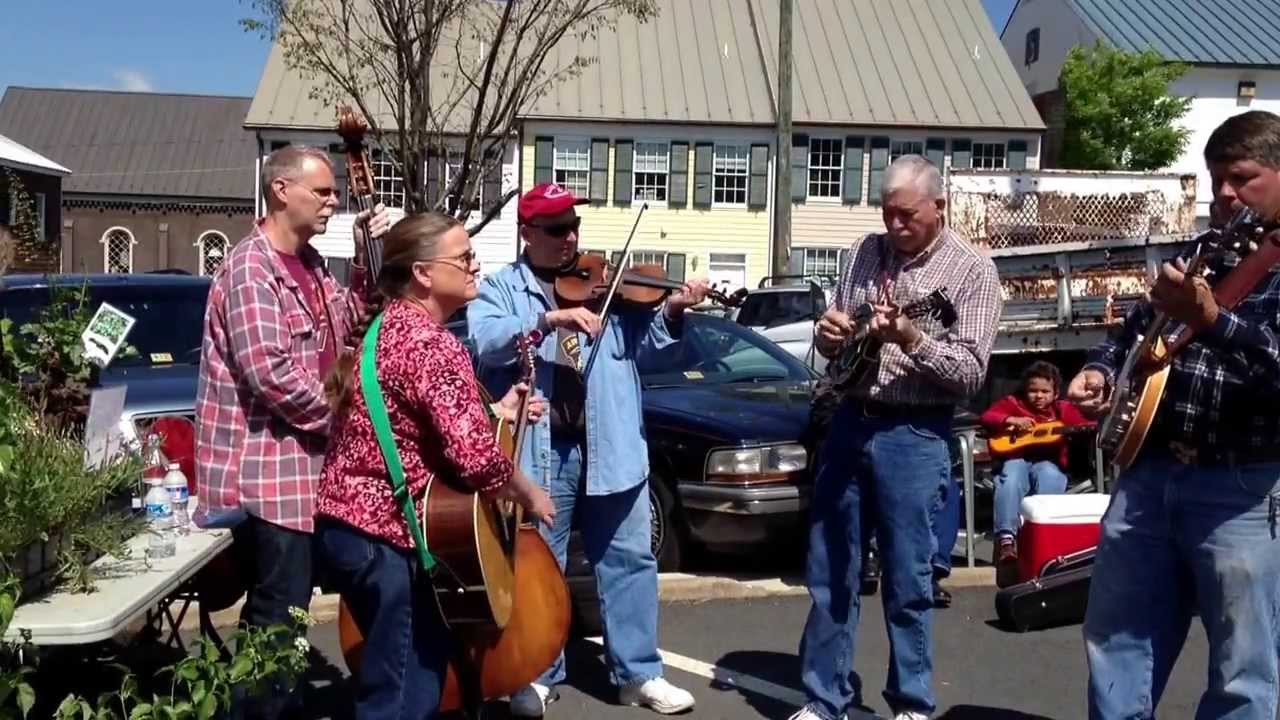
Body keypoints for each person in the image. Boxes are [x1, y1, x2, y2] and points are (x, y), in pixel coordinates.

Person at [1067, 110, 1280, 719]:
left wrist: (1215, 320)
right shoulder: (1204, 251)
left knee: (1244, 667)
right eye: (1216, 180)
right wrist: (1101, 371)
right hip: (1151, 474)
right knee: (1117, 645)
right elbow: (1133, 334)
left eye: (1242, 178)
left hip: (1242, 485)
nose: (1226, 194)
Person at [467, 182, 709, 716]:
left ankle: (639, 674)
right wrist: (547, 320)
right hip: (543, 450)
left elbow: (649, 349)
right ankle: (535, 672)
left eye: (573, 225)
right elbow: (484, 340)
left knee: (629, 558)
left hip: (613, 443)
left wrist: (671, 313)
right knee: (538, 566)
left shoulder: (608, 284)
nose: (569, 237)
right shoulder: (502, 289)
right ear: (527, 233)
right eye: (556, 229)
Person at [315, 213, 556, 719]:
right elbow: (476, 460)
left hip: (348, 530)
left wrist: (497, 413)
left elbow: (416, 429)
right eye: (464, 258)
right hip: (387, 537)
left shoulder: (384, 328)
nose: (476, 266)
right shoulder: (432, 344)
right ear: (424, 273)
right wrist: (529, 493)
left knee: (395, 680)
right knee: (403, 695)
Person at [790, 155, 1002, 720]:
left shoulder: (972, 271)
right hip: (850, 417)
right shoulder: (863, 252)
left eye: (906, 214)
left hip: (916, 431)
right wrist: (830, 334)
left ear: (939, 206)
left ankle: (910, 702)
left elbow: (971, 374)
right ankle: (822, 697)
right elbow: (837, 342)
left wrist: (911, 337)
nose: (894, 225)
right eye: (886, 213)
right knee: (831, 568)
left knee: (908, 577)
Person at [194, 145, 391, 720]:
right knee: (275, 628)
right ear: (282, 190)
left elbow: (351, 318)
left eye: (335, 192)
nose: (334, 201)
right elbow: (271, 374)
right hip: (266, 484)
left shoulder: (308, 264)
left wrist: (366, 257)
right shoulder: (251, 269)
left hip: (304, 479)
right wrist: (347, 419)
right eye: (323, 192)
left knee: (290, 624)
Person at [981, 361, 1089, 587]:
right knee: (1011, 475)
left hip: (1047, 461)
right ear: (1024, 389)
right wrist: (1010, 420)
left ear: (1056, 393)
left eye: (1044, 392)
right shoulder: (1013, 403)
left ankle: (1042, 534)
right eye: (1033, 391)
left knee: (1050, 475)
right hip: (1016, 458)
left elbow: (1086, 422)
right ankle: (1006, 539)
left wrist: (1085, 426)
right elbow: (988, 417)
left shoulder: (1062, 410)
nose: (1038, 396)